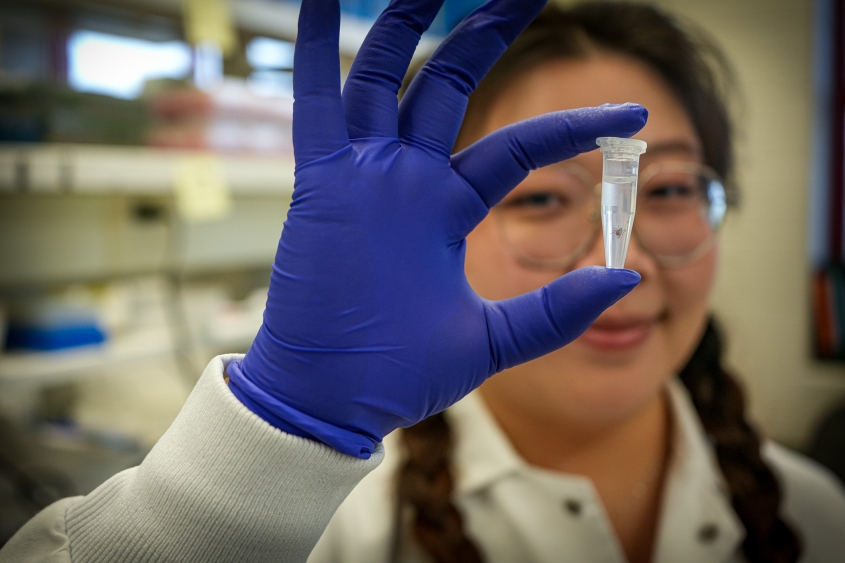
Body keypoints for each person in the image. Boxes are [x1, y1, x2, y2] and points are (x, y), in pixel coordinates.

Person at [0, 1, 843, 562]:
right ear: (439, 232)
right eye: (540, 196)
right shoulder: (316, 531)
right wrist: (275, 443)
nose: (610, 262)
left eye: (669, 190)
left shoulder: (816, 513)